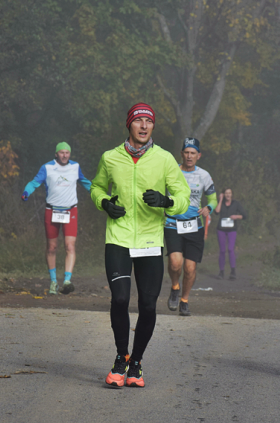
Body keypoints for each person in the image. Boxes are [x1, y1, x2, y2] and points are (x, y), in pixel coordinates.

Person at [91, 102, 190, 388]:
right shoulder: (110, 158)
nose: (144, 126)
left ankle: (136, 362)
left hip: (149, 241)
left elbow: (182, 194)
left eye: (149, 121)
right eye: (138, 121)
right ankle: (121, 357)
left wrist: (166, 201)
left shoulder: (165, 159)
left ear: (153, 126)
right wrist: (105, 203)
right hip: (119, 239)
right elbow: (96, 187)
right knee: (120, 299)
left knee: (147, 305)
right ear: (129, 125)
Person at [22, 142, 91, 295]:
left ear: (70, 154)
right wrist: (26, 192)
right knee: (52, 247)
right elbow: (35, 182)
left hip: (70, 210)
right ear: (56, 154)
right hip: (52, 210)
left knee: (70, 246)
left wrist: (98, 195)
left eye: (67, 152)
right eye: (61, 152)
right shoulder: (47, 168)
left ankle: (67, 280)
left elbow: (85, 182)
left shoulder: (75, 167)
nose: (64, 155)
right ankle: (53, 281)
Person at [165, 137, 217, 317]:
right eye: (186, 152)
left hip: (194, 226)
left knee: (189, 268)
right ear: (181, 154)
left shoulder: (204, 175)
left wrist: (208, 208)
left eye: (192, 153)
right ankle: (174, 287)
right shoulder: (171, 172)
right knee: (174, 262)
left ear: (198, 156)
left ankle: (184, 300)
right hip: (172, 223)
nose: (189, 156)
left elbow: (212, 199)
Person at [214, 188, 247, 280]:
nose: (228, 195)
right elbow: (216, 212)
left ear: (232, 194)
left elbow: (245, 215)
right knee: (222, 250)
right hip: (221, 229)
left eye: (229, 193)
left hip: (232, 229)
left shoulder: (236, 204)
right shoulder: (221, 203)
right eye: (226, 193)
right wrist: (220, 200)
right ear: (223, 194)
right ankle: (221, 272)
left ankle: (233, 271)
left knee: (230, 249)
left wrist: (236, 216)